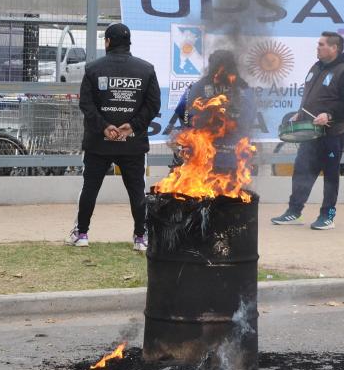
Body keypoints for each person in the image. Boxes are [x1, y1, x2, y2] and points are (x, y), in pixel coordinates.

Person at [71, 23, 161, 251]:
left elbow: (86, 104)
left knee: (90, 187)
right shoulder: (147, 69)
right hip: (132, 144)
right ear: (128, 43)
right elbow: (153, 105)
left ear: (108, 42)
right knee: (137, 190)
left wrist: (105, 127)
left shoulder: (92, 68)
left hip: (99, 143)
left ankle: (81, 234)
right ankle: (141, 237)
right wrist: (131, 127)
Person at [270, 32, 344, 230]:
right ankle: (294, 211)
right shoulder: (316, 67)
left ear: (334, 48)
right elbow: (311, 98)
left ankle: (328, 215)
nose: (317, 47)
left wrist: (329, 115)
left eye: (321, 44)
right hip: (310, 130)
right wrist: (300, 113)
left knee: (330, 173)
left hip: (332, 131)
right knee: (302, 168)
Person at [172, 50, 255, 171]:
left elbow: (182, 114)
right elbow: (183, 114)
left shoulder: (242, 88)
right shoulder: (198, 87)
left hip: (223, 155)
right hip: (208, 154)